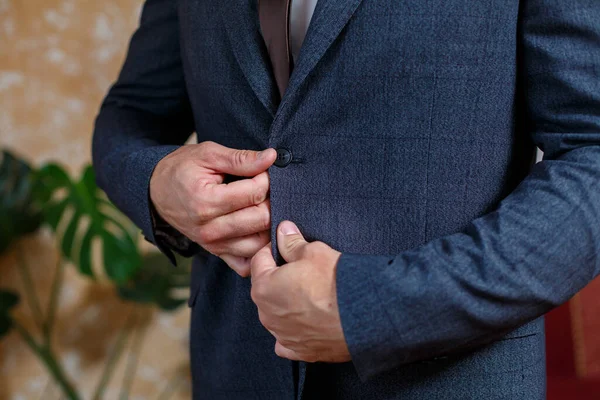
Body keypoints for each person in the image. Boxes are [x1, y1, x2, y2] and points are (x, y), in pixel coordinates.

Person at [91, 0, 600, 398]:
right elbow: (130, 112)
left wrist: (376, 308)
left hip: (446, 375)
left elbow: (591, 157)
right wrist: (156, 182)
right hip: (236, 371)